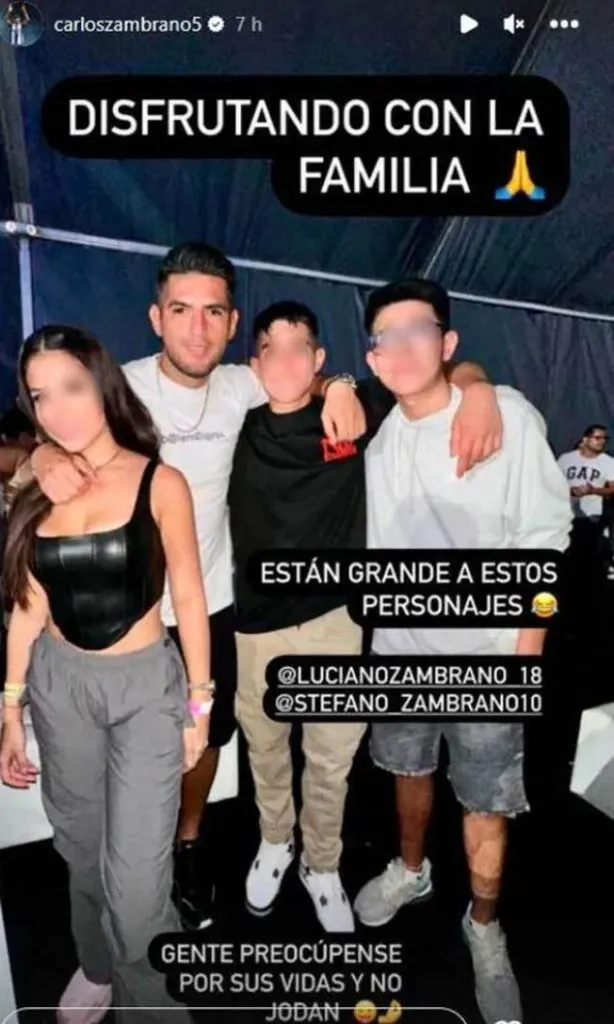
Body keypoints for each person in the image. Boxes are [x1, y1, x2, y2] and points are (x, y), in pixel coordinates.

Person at [28, 243, 504, 930]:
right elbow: (53, 420)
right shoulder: (130, 390)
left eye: (213, 312)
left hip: (239, 610)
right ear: (157, 318)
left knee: (242, 744)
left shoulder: (301, 402)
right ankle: (220, 856)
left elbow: (433, 371)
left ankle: (278, 858)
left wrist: (474, 390)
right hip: (159, 617)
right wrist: (43, 454)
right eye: (181, 310)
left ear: (236, 326)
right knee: (231, 750)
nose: (198, 328)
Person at [228, 300, 533, 932]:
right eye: (269, 349)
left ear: (319, 358)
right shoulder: (238, 423)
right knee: (266, 747)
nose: (283, 361)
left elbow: (443, 374)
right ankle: (276, 839)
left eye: (299, 348)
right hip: (256, 623)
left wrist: (478, 391)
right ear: (253, 364)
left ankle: (321, 863)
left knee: (331, 757)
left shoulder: (357, 411)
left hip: (337, 619)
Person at [352, 280, 572, 1024]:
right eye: (386, 337)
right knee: (407, 772)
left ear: (447, 343)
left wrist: (526, 653)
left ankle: (484, 925)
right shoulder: (381, 435)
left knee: (485, 802)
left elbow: (547, 539)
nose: (402, 348)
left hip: (487, 656)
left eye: (418, 331)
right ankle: (411, 870)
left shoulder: (505, 413)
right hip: (399, 653)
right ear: (372, 359)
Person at [0, 325, 211, 1024]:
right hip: (60, 687)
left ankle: (153, 1008)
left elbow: (189, 599)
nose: (57, 408)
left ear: (103, 383)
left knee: (138, 890)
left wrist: (199, 708)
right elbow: (28, 606)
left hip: (145, 690)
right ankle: (96, 964)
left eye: (71, 386)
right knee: (81, 850)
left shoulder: (160, 480)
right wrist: (9, 709)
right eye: (40, 396)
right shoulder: (40, 485)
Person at [558, 425, 614, 581]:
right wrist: (569, 490)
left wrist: (593, 490)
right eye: (597, 438)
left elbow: (612, 489)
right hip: (564, 516)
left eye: (605, 438)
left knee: (587, 558)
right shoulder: (566, 459)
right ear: (585, 439)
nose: (601, 441)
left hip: (591, 517)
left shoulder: (608, 462)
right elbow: (553, 482)